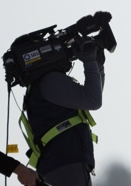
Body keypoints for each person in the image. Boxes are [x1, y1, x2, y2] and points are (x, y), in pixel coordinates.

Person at [22, 30, 106, 186]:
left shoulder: (42, 85)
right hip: (66, 169)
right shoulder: (50, 82)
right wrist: (89, 60)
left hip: (63, 167)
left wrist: (97, 66)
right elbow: (93, 100)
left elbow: (90, 98)